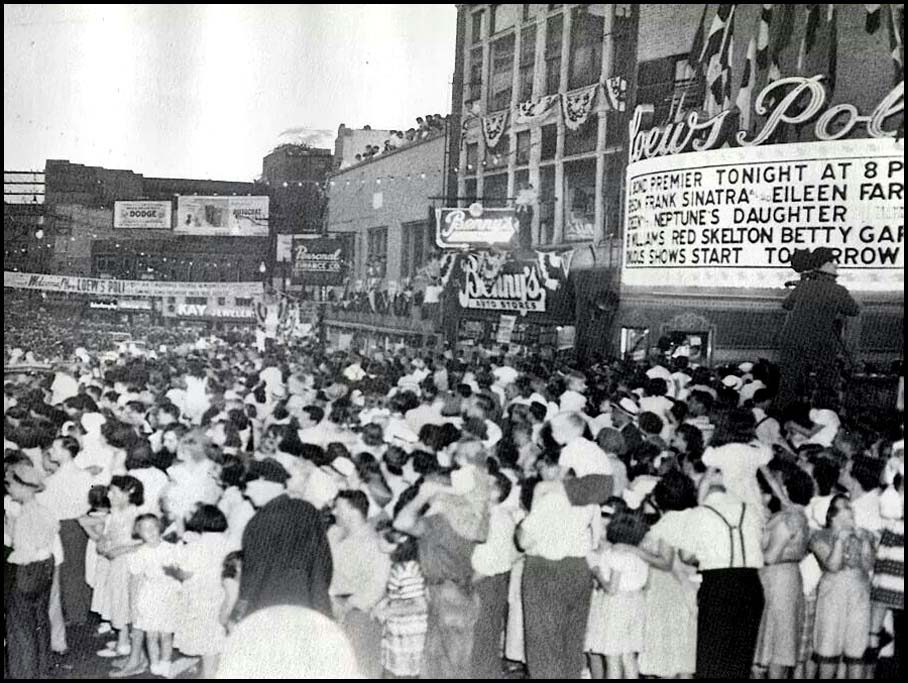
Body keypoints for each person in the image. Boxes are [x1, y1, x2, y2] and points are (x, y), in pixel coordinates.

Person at [682, 477, 765, 678]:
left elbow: (686, 556)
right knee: (740, 657)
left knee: (713, 656)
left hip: (719, 585)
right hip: (751, 584)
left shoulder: (701, 515)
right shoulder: (751, 511)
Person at [777, 247, 860, 408]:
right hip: (819, 340)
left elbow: (786, 305)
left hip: (791, 339)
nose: (836, 265)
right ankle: (825, 416)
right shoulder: (838, 290)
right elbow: (853, 310)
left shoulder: (804, 286)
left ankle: (783, 416)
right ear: (823, 265)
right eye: (832, 262)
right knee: (827, 381)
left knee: (788, 383)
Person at [637, 471, 699, 679]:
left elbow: (665, 562)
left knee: (665, 655)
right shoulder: (693, 518)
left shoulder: (667, 523)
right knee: (683, 657)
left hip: (666, 592)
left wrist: (635, 551)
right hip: (688, 588)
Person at [753, 467, 812, 679]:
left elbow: (770, 556)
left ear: (786, 489)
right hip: (789, 577)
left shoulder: (788, 518)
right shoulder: (798, 514)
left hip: (777, 580)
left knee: (776, 638)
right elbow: (774, 483)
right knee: (782, 637)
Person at [809, 494, 876, 679]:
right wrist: (839, 540)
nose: (851, 510)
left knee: (857, 651)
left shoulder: (863, 534)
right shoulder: (819, 536)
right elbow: (832, 565)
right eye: (845, 508)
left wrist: (866, 544)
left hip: (859, 593)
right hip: (833, 593)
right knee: (828, 647)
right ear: (832, 515)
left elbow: (869, 564)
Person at [328, 489, 391, 679]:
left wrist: (348, 605)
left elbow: (378, 586)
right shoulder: (335, 534)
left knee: (359, 668)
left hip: (358, 614)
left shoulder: (373, 543)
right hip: (333, 608)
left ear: (353, 512)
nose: (334, 512)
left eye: (338, 508)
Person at [5, 461, 59, 679]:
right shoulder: (43, 510)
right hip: (45, 567)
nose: (8, 489)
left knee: (20, 628)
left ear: (22, 487)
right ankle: (42, 670)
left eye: (9, 484)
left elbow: (22, 553)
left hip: (26, 572)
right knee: (40, 621)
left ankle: (24, 674)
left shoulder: (25, 517)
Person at [585, 506, 650, 679]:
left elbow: (612, 589)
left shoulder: (615, 554)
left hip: (616, 607)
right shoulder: (640, 555)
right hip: (636, 603)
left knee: (612, 658)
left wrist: (597, 572)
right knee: (629, 657)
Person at [170, 504, 233, 679]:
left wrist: (173, 569)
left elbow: (185, 573)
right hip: (221, 594)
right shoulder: (229, 544)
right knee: (216, 638)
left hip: (200, 597)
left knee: (207, 640)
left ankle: (208, 675)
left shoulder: (196, 546)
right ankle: (209, 672)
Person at [123, 514, 181, 678]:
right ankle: (154, 664)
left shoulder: (171, 549)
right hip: (150, 596)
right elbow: (135, 578)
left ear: (159, 527)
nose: (150, 532)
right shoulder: (140, 553)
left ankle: (166, 662)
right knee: (151, 634)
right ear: (138, 532)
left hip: (168, 594)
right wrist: (134, 605)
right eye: (145, 529)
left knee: (167, 633)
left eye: (153, 527)